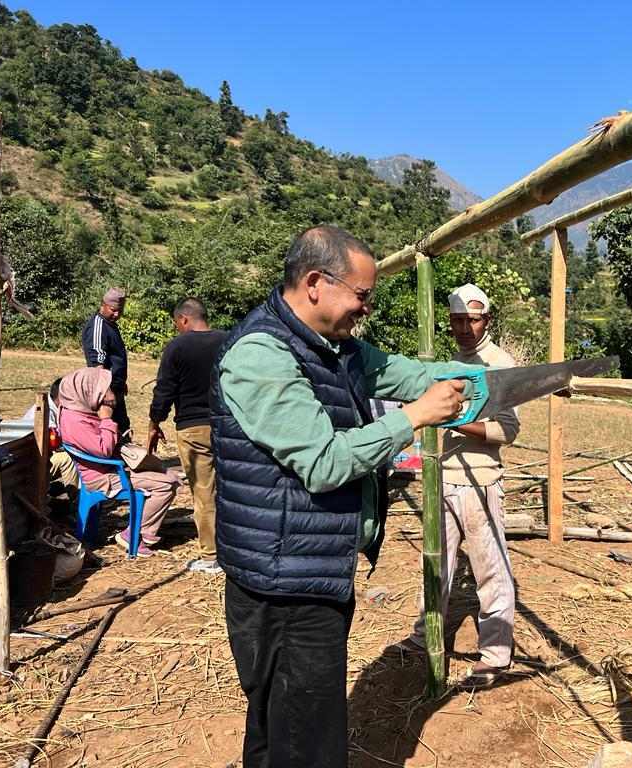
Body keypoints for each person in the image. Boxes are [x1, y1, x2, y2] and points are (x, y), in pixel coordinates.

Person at [211, 225, 474, 768]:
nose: (367, 307)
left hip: (310, 567)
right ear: (315, 283)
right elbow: (325, 463)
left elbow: (405, 373)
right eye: (361, 294)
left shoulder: (336, 349)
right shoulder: (261, 356)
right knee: (305, 738)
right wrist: (415, 417)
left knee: (285, 728)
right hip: (282, 585)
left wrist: (482, 379)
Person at [404, 283, 520, 686]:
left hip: (479, 480)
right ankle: (425, 634)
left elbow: (507, 430)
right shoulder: (451, 363)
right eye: (457, 320)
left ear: (486, 319)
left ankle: (496, 654)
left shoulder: (498, 364)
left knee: (490, 569)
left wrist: (453, 420)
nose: (464, 328)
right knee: (436, 563)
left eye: (472, 320)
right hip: (444, 476)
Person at [58, 367, 180, 557]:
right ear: (89, 391)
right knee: (167, 483)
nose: (110, 395)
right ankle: (134, 535)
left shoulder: (83, 412)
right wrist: (107, 420)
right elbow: (104, 450)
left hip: (112, 470)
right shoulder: (75, 422)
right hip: (105, 478)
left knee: (169, 475)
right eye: (105, 390)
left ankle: (140, 530)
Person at [147, 297, 228, 575]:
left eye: (177, 324)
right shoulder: (229, 341)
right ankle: (235, 545)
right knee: (230, 488)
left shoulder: (177, 347)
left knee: (204, 492)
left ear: (183, 319)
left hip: (193, 429)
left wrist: (154, 422)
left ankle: (211, 556)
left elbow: (164, 390)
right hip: (228, 425)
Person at [82, 287, 130, 436]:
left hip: (115, 388)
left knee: (122, 430)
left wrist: (121, 382)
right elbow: (97, 363)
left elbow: (113, 358)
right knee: (110, 431)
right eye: (113, 310)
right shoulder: (98, 326)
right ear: (103, 304)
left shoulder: (110, 324)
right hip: (105, 391)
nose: (117, 314)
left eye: (120, 311)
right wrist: (106, 391)